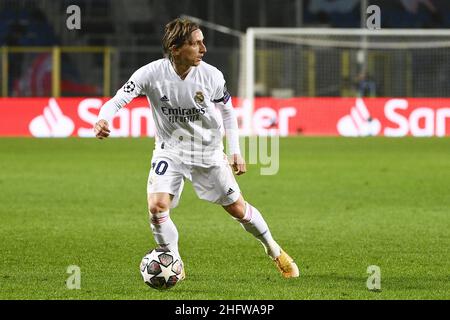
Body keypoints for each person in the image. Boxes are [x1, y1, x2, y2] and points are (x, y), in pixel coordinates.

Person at [94, 18, 299, 280]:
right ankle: (173, 261)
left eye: (203, 42)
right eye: (196, 43)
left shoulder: (211, 75)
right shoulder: (150, 74)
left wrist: (234, 150)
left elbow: (227, 113)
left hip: (208, 152)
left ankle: (274, 250)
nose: (204, 49)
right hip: (170, 150)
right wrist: (102, 119)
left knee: (237, 209)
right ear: (176, 48)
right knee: (157, 207)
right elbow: (117, 100)